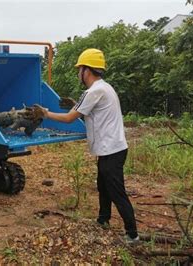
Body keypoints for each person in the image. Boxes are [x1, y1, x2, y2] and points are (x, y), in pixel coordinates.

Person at [34, 48, 139, 244]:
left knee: (116, 191)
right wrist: (76, 104)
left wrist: (45, 113)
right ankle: (103, 220)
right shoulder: (105, 88)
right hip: (112, 148)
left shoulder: (93, 91)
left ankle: (132, 235)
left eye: (79, 69)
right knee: (104, 186)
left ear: (87, 70)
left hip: (111, 150)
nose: (78, 73)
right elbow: (93, 111)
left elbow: (68, 118)